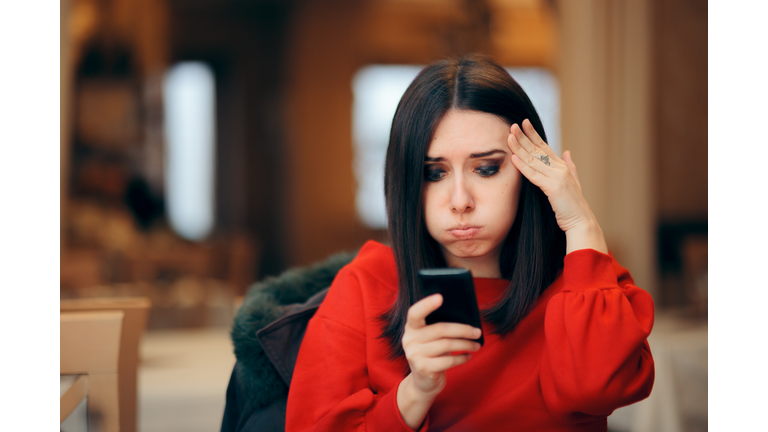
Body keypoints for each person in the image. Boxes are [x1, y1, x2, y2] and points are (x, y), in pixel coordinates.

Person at [285, 54, 654, 432]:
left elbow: (596, 390)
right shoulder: (365, 286)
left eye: (487, 168)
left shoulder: (584, 279)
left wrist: (580, 221)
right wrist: (415, 391)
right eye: (434, 173)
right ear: (407, 182)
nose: (460, 200)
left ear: (532, 171)